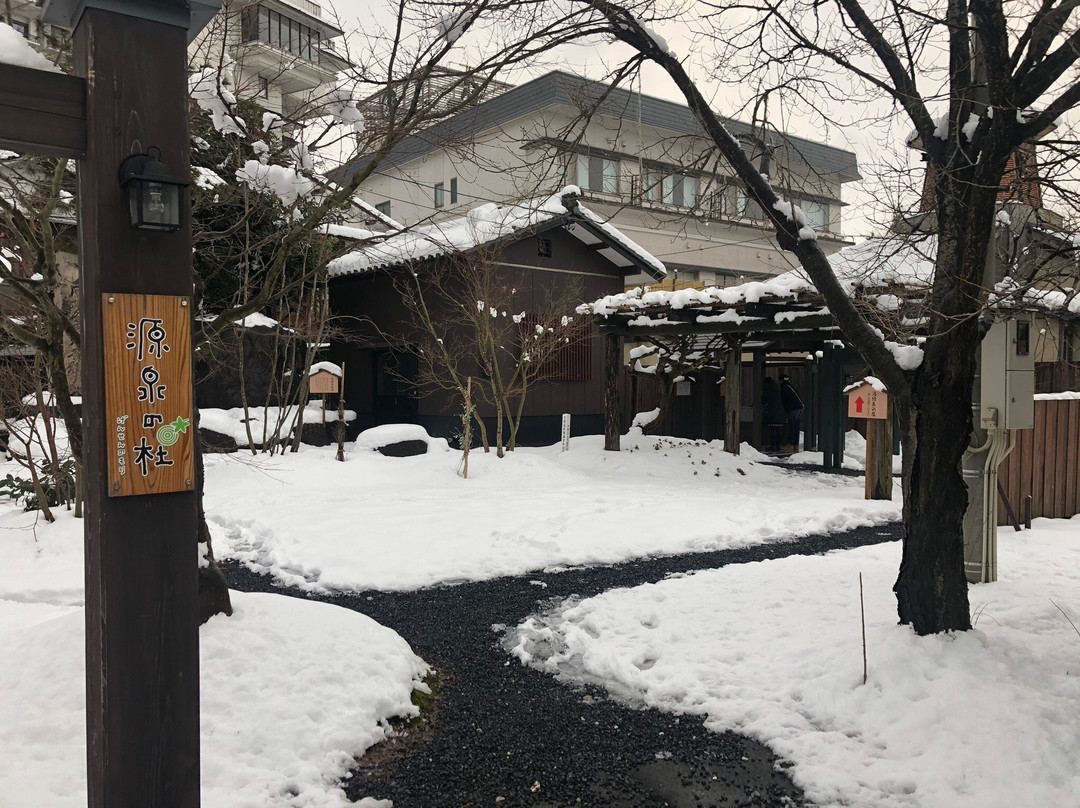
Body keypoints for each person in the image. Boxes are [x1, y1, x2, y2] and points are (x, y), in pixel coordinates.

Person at [780, 374, 804, 452]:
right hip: (799, 407)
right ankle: (795, 444)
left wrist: (786, 411)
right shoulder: (791, 387)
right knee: (796, 426)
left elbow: (785, 401)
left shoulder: (784, 388)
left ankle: (790, 444)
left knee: (792, 426)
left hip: (793, 408)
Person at [761, 377, 786, 452]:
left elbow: (763, 400)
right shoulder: (778, 388)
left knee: (773, 430)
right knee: (778, 429)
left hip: (772, 411)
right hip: (780, 410)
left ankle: (773, 445)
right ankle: (778, 445)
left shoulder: (767, 389)